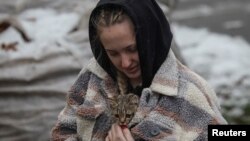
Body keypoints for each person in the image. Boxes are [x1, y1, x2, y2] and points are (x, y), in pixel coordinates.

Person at [51, 0, 227, 141]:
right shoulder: (92, 79)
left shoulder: (190, 94)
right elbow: (62, 132)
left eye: (132, 49)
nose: (125, 63)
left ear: (150, 38)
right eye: (113, 53)